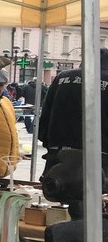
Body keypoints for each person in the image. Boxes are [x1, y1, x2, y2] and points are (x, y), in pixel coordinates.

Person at [39, 47, 108, 176]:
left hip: (58, 150)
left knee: (56, 185)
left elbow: (46, 112)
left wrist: (48, 142)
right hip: (100, 153)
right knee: (97, 187)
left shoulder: (62, 76)